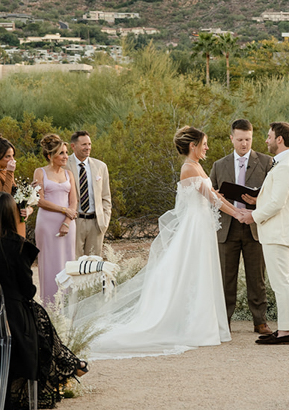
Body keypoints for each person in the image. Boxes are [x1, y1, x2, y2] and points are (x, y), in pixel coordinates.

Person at [76, 126, 244, 359]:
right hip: (194, 228)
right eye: (203, 143)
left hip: (200, 226)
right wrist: (239, 214)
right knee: (195, 271)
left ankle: (202, 322)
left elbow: (211, 194)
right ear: (192, 146)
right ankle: (194, 326)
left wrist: (232, 204)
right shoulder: (189, 168)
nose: (207, 147)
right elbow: (213, 198)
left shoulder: (196, 166)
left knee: (199, 272)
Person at [0, 193, 87, 409]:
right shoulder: (16, 245)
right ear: (11, 216)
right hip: (7, 319)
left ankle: (70, 363)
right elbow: (28, 290)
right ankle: (70, 364)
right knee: (37, 316)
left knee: (35, 315)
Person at [238, 122, 289, 346]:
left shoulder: (285, 166)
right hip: (278, 231)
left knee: (281, 283)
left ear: (279, 139)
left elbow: (277, 203)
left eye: (268, 137)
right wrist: (258, 199)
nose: (265, 140)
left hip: (278, 232)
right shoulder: (286, 163)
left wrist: (252, 216)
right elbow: (275, 197)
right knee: (283, 282)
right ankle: (287, 329)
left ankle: (287, 332)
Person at [209, 118, 274, 336]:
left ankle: (260, 321)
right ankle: (224, 321)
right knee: (226, 277)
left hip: (255, 226)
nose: (244, 144)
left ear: (252, 138)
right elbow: (210, 195)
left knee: (257, 277)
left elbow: (274, 195)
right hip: (227, 228)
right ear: (232, 139)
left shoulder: (266, 162)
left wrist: (258, 202)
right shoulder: (219, 165)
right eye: (239, 139)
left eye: (247, 139)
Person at [33, 133, 77, 304]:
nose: (66, 156)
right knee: (50, 264)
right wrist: (63, 210)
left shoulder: (69, 175)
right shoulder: (40, 172)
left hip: (68, 224)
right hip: (47, 224)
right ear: (50, 156)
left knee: (68, 261)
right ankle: (51, 305)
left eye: (66, 152)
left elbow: (74, 201)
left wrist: (66, 221)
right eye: (61, 153)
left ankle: (68, 304)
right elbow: (40, 200)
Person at [67, 131, 112, 258]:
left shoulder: (100, 166)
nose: (88, 147)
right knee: (73, 263)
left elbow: (106, 196)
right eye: (84, 144)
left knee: (93, 264)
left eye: (89, 144)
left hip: (95, 223)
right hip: (74, 221)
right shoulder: (65, 165)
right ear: (73, 146)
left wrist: (104, 220)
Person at [0, 133, 31, 237]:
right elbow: (3, 197)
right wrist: (10, 172)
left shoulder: (5, 170)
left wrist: (28, 209)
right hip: (5, 223)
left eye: (13, 156)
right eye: (7, 157)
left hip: (17, 220)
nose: (12, 160)